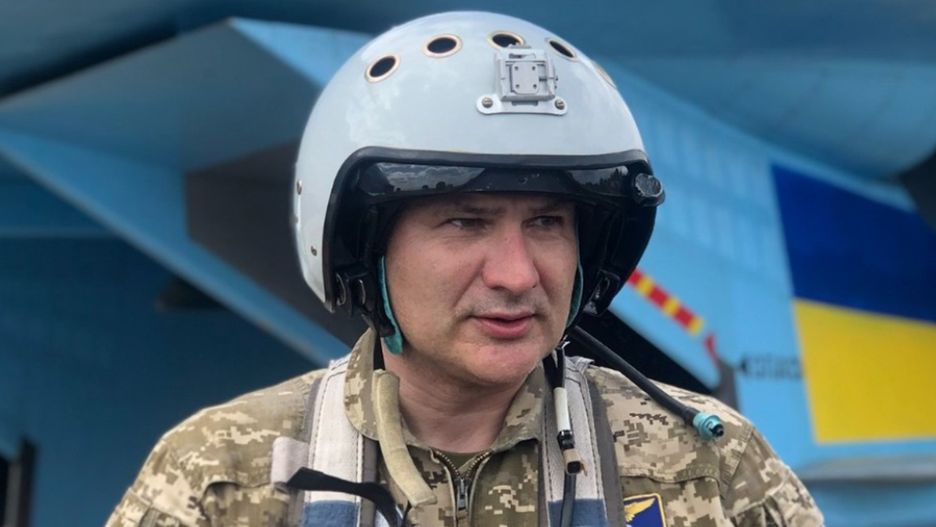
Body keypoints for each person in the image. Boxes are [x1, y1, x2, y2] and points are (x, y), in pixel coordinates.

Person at [107, 11, 823, 527]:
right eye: (465, 222)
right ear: (363, 246)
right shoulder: (224, 477)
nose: (517, 274)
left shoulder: (708, 466)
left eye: (547, 223)